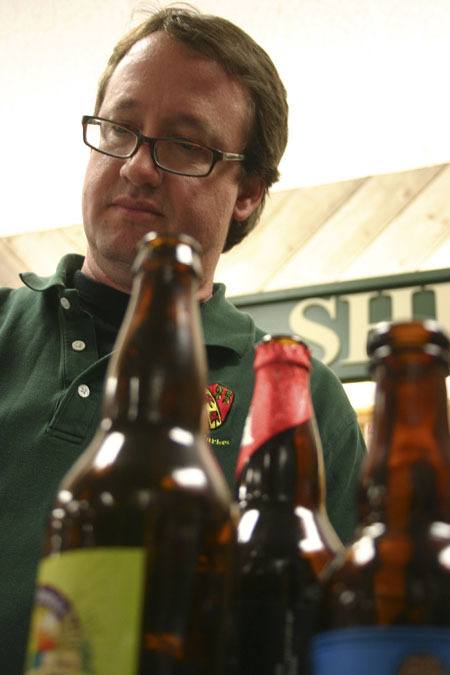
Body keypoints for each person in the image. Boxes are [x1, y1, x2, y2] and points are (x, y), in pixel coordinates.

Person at [0, 6, 366, 673]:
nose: (138, 166)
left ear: (249, 191)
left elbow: (344, 634)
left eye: (185, 144)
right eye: (119, 128)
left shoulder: (295, 393)